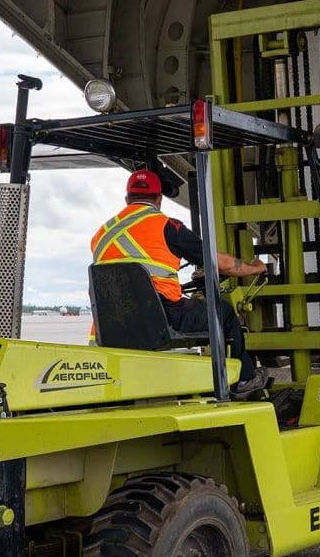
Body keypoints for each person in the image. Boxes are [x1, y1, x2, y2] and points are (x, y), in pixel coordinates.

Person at [91, 169, 268, 396]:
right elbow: (219, 262)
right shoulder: (167, 227)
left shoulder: (101, 234)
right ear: (159, 199)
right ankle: (244, 380)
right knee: (223, 312)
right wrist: (254, 268)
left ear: (127, 199)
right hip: (164, 317)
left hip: (113, 322)